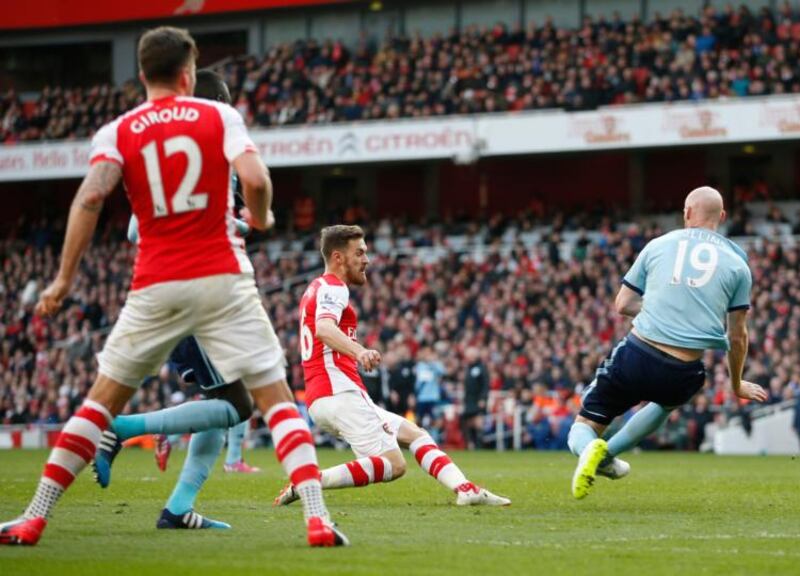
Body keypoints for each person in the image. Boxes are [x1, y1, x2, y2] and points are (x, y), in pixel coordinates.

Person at [0, 27, 345, 547]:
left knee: (97, 406)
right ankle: (318, 520)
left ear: (141, 75)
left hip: (157, 282)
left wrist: (65, 278)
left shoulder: (117, 130)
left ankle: (33, 517)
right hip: (223, 279)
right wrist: (263, 215)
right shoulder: (220, 116)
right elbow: (254, 178)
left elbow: (91, 199)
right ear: (188, 73)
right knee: (275, 400)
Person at [89, 69, 258, 532]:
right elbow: (138, 230)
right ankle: (121, 429)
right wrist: (236, 227)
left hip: (179, 292)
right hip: (196, 294)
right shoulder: (212, 155)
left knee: (220, 403)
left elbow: (132, 228)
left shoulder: (164, 155)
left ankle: (179, 510)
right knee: (240, 405)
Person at [273, 225, 510, 508]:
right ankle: (310, 481)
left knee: (415, 435)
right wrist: (360, 351)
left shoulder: (315, 288)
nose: (366, 260)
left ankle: (465, 489)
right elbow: (324, 328)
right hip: (339, 392)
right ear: (338, 258)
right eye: (359, 253)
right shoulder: (334, 287)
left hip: (327, 395)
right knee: (394, 465)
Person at [567, 186, 768, 500]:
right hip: (683, 370)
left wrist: (658, 306)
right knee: (665, 404)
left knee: (583, 425)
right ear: (723, 217)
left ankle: (592, 449)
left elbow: (622, 304)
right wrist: (737, 383)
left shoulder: (659, 244)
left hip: (638, 352)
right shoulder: (738, 264)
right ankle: (607, 458)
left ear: (687, 212)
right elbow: (739, 335)